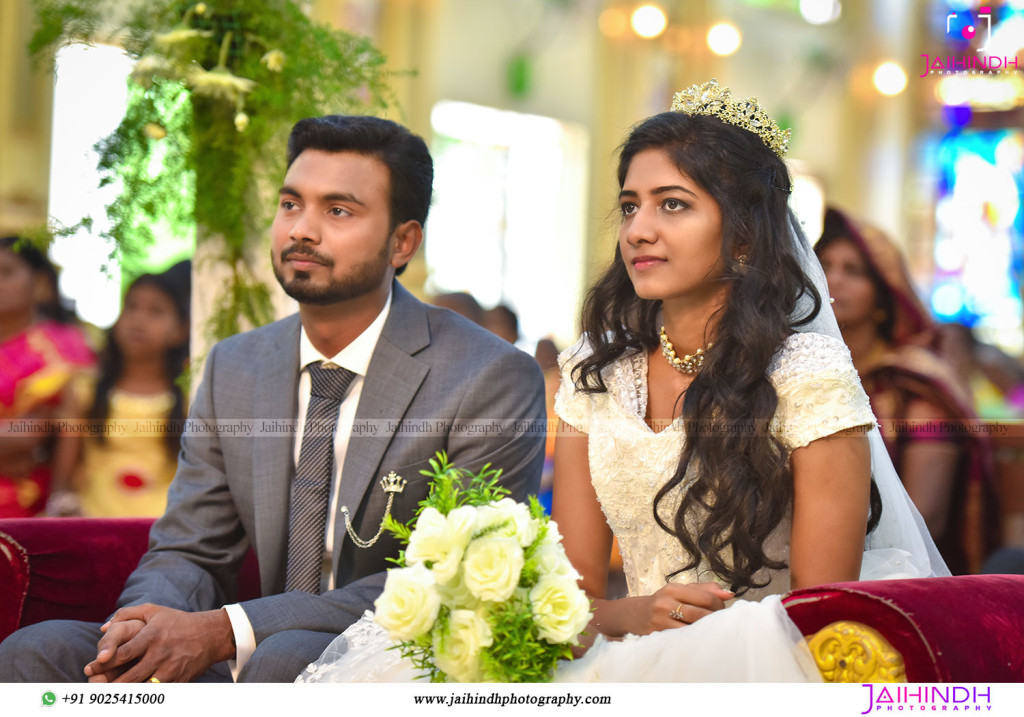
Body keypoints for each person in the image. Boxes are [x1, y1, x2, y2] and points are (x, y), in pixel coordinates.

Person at [295, 81, 947, 684]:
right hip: (629, 655)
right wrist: (636, 614)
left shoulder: (806, 373)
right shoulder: (595, 375)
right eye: (631, 205)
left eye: (673, 205)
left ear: (745, 238)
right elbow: (574, 603)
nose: (638, 229)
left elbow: (820, 606)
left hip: (768, 662)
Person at [0, 115, 547, 683]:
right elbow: (192, 547)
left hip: (389, 656)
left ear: (402, 241)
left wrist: (227, 630)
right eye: (291, 204)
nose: (302, 230)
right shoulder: (237, 364)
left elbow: (450, 578)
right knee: (38, 651)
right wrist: (144, 623)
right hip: (241, 655)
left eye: (338, 211)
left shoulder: (488, 376)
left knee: (284, 658)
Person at [816, 208, 1000, 574]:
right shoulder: (800, 368)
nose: (833, 280)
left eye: (853, 271)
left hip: (900, 570)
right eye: (824, 265)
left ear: (884, 300)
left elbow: (926, 517)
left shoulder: (914, 387)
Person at [56, 263, 191, 517]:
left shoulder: (190, 396)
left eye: (156, 311)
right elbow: (63, 480)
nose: (138, 320)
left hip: (165, 530)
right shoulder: (85, 389)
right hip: (94, 524)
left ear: (181, 331)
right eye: (131, 307)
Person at [0, 235, 95, 518]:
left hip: (34, 504)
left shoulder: (63, 347)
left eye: (6, 273)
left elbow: (38, 435)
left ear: (40, 284)